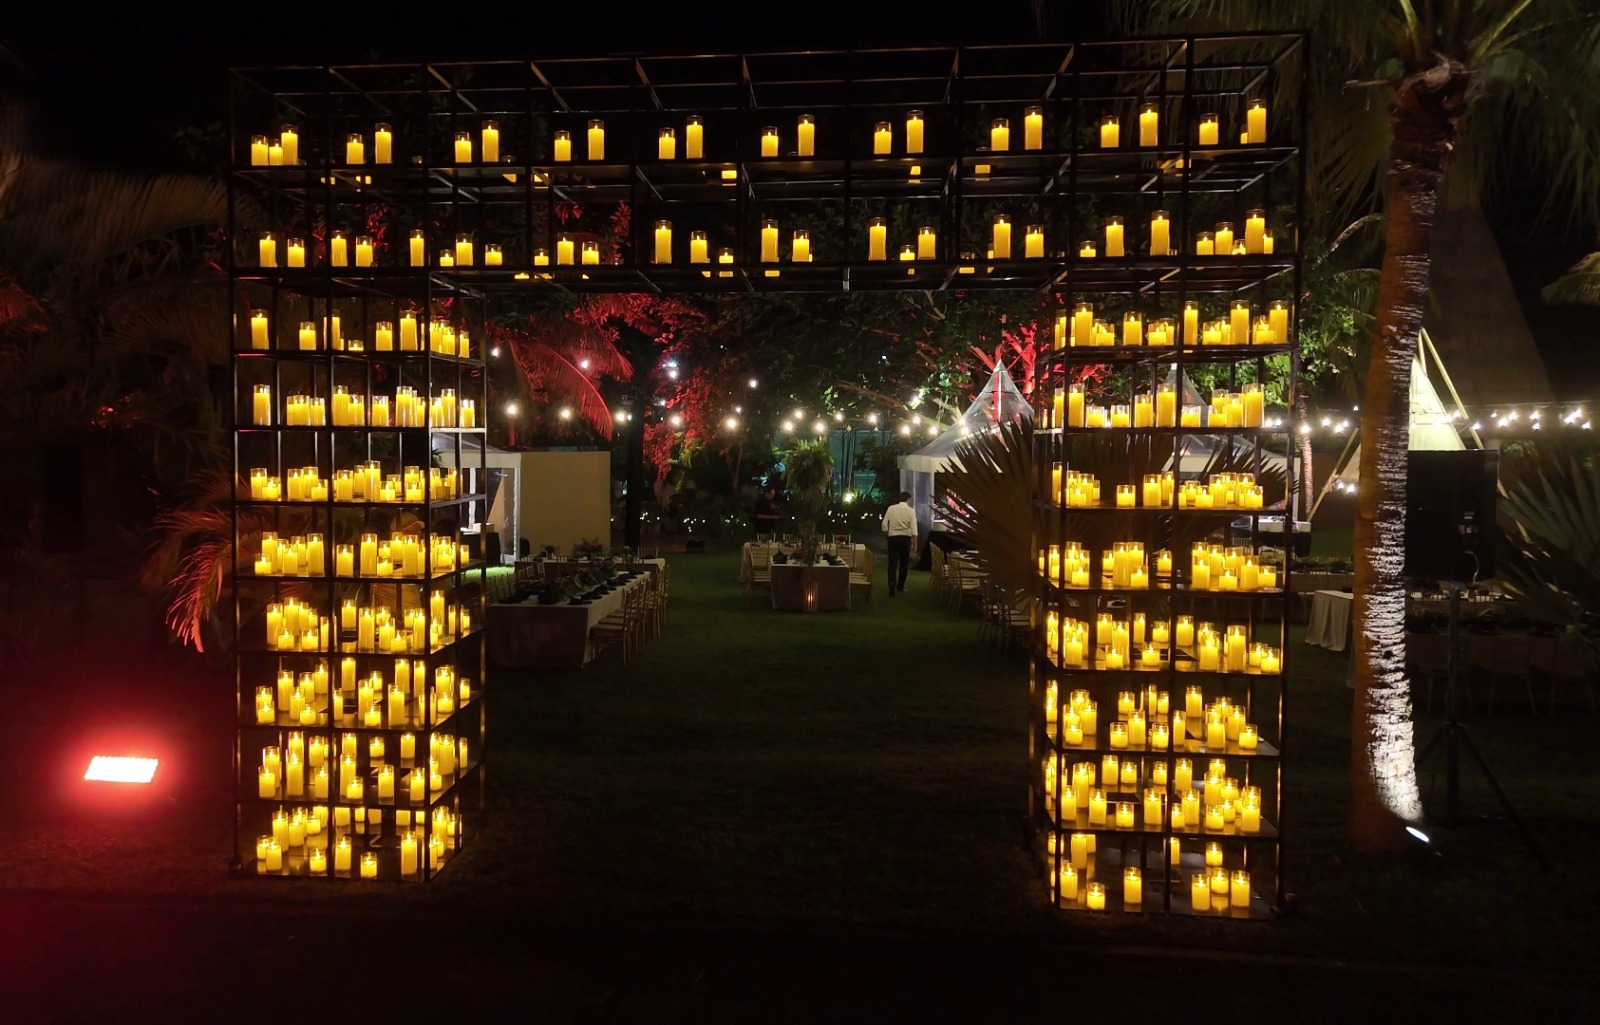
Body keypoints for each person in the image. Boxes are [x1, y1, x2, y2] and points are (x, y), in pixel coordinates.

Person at [881, 491, 917, 597]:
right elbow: (914, 528)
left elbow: (884, 524)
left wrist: (887, 532)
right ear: (908, 499)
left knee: (892, 563)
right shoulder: (911, 511)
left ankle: (891, 584)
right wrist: (915, 543)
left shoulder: (891, 508)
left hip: (893, 538)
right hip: (905, 539)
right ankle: (900, 586)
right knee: (904, 563)